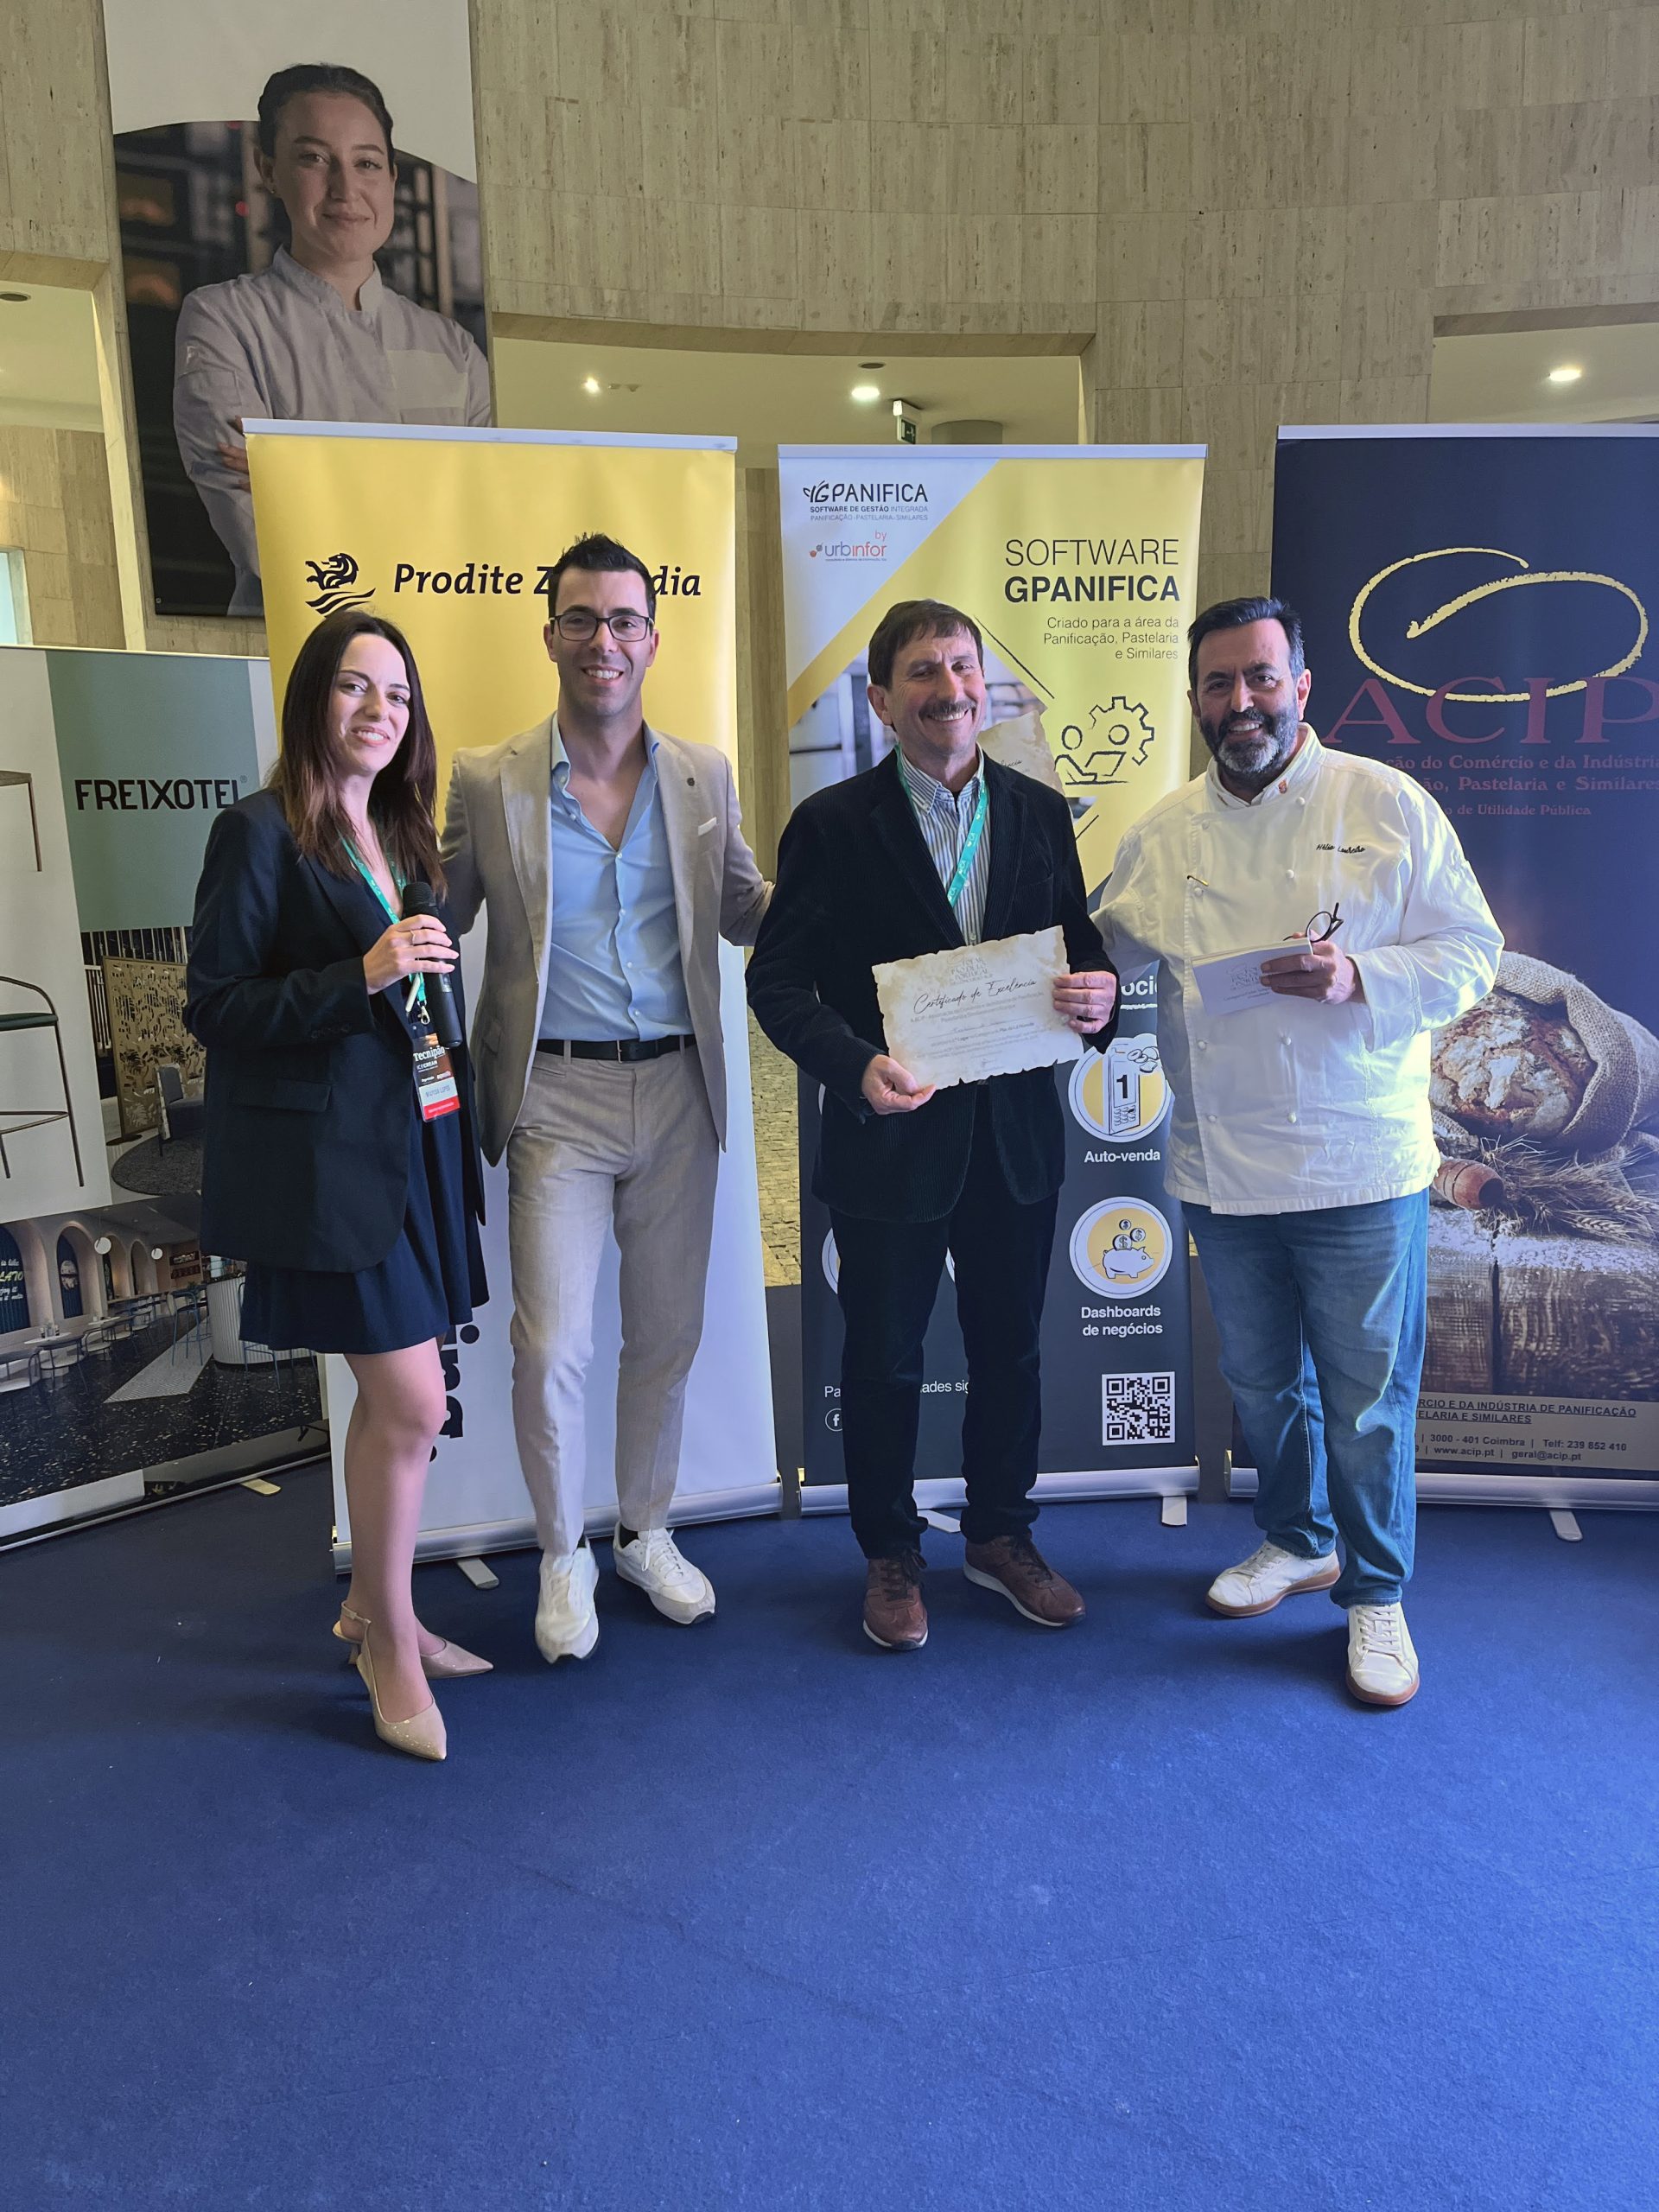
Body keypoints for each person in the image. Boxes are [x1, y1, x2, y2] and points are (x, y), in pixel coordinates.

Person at [1094, 596, 1502, 1707]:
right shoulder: (1163, 832)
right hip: (1224, 1163)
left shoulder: (1386, 802)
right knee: (1264, 1383)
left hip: (1358, 1159)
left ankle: (1376, 1592)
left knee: (1367, 1399)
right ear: (1194, 699)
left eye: (1261, 678)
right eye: (1219, 683)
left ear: (1303, 686)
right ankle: (1296, 1537)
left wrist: (1361, 974)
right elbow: (1103, 954)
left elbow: (1474, 951)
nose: (1242, 702)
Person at [747, 600, 1120, 1652]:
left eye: (963, 667)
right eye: (922, 671)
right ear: (881, 699)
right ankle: (890, 1552)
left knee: (1011, 1350)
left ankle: (1001, 1535)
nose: (948, 688)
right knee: (885, 1359)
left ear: (984, 686)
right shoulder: (832, 824)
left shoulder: (1039, 811)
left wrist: (1100, 1000)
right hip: (890, 1134)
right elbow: (777, 982)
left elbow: (1080, 952)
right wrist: (852, 1066)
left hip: (1013, 1138)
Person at [441, 532, 769, 1662]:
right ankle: (560, 1554)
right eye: (581, 619)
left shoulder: (703, 775)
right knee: (551, 1346)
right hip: (555, 1095)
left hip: (679, 1089)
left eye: (624, 621)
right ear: (550, 636)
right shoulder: (487, 779)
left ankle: (645, 1530)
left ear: (652, 640)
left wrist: (846, 894)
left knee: (667, 1335)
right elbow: (439, 914)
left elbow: (744, 909)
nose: (604, 641)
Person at [186, 608, 488, 1762]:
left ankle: (374, 1608)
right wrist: (356, 974)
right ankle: (389, 1643)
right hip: (329, 1167)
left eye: (399, 695)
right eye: (358, 686)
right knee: (411, 1403)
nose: (380, 710)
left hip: (414, 1146)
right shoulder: (258, 831)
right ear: (314, 694)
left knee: (395, 1401)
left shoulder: (403, 834)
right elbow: (215, 1005)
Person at [174, 62, 491, 615]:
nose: (346, 189)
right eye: (314, 159)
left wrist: (306, 476)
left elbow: (482, 533)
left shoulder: (454, 349)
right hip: (291, 651)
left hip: (440, 649)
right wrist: (417, 493)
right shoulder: (223, 320)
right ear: (268, 170)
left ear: (392, 177)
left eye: (366, 163)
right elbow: (266, 542)